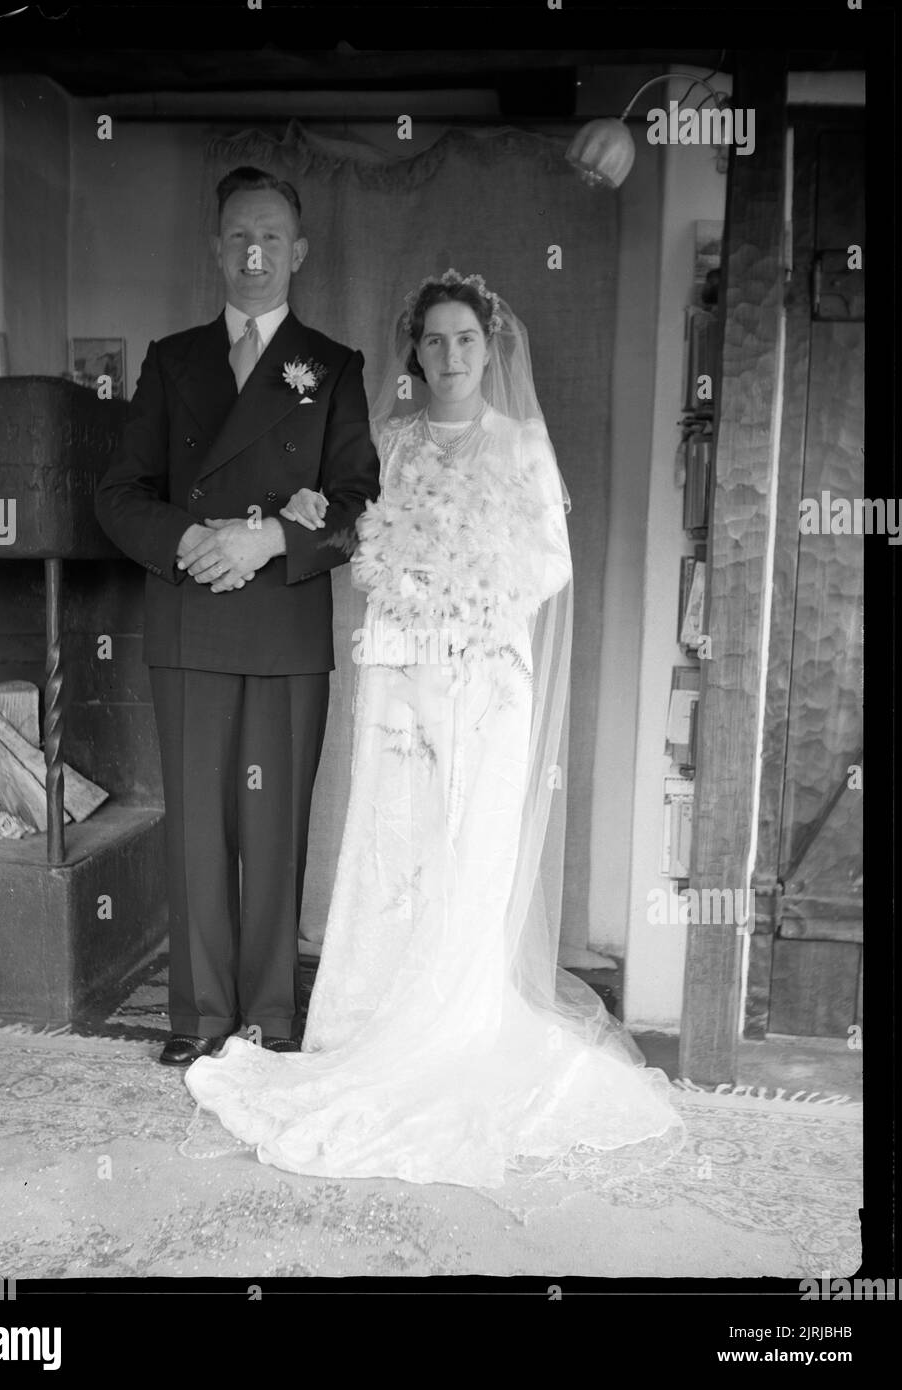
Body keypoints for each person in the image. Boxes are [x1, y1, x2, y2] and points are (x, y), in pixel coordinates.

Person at [183, 269, 686, 1189]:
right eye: (434, 341)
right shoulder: (394, 444)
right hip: (402, 674)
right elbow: (359, 541)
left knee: (470, 848)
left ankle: (457, 1023)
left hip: (485, 677)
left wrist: (463, 597)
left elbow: (546, 566)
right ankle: (368, 1020)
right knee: (395, 844)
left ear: (490, 349)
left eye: (466, 340)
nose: (451, 357)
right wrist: (400, 583)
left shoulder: (522, 448)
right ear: (414, 351)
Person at [94, 167, 381, 1065]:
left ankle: (271, 1016)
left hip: (286, 628)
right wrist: (193, 542)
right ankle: (199, 1014)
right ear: (216, 248)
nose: (253, 253)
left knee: (275, 826)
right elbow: (118, 494)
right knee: (199, 827)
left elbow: (356, 505)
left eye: (271, 237)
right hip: (189, 620)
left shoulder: (332, 367)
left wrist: (265, 544)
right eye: (237, 237)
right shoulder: (172, 359)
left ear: (298, 251)